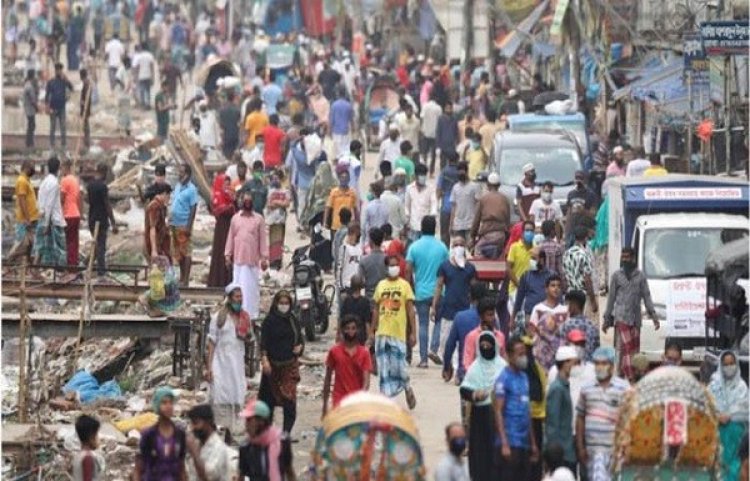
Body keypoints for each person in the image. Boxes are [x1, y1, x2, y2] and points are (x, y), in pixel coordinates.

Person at [602, 247, 658, 381]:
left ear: (633, 258)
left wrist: (654, 315)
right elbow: (611, 298)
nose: (625, 259)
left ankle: (627, 373)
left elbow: (647, 296)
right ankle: (630, 376)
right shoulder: (616, 276)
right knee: (626, 347)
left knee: (634, 349)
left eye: (627, 257)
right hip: (621, 317)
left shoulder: (641, 276)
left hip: (636, 318)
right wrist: (606, 318)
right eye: (623, 257)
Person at [576, 347, 629, 481]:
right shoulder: (586, 388)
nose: (600, 367)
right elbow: (580, 417)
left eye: (604, 363)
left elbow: (629, 419)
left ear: (611, 366)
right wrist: (580, 446)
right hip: (592, 450)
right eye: (597, 363)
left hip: (615, 451)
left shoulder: (623, 388)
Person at [372, 255, 418, 409]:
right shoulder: (381, 286)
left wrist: (413, 333)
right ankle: (385, 399)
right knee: (383, 367)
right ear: (386, 268)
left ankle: (407, 388)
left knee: (400, 367)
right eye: (391, 265)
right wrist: (372, 331)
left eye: (396, 265)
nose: (394, 268)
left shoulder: (405, 285)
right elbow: (376, 310)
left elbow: (411, 311)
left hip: (398, 333)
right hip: (382, 333)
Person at [460, 332, 506, 481]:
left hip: (498, 416)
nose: (486, 348)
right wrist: (474, 394)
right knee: (480, 455)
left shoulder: (502, 366)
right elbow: (464, 389)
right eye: (483, 346)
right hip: (479, 418)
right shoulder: (475, 367)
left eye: (488, 345)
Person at [207, 284, 250, 438]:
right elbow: (211, 343)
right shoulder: (218, 317)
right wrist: (209, 367)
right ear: (229, 298)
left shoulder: (244, 317)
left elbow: (248, 338)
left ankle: (231, 432)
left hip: (237, 363)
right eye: (237, 297)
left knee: (236, 394)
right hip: (220, 362)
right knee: (221, 395)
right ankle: (222, 430)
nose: (240, 300)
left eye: (241, 297)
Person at [494, 336, 540, 479]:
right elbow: (498, 411)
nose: (523, 357)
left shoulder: (524, 378)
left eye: (524, 353)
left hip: (524, 443)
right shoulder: (503, 379)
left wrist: (533, 443)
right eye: (519, 354)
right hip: (510, 442)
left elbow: (528, 412)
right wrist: (504, 443)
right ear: (509, 356)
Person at [406, 216, 449, 367]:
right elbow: (447, 268)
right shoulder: (442, 247)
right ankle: (434, 349)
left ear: (422, 228)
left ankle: (423, 360)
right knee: (437, 322)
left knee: (423, 324)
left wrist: (410, 286)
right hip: (439, 291)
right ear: (435, 228)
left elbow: (408, 269)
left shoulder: (414, 247)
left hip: (421, 291)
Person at [259, 291, 304, 434]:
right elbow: (263, 343)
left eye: (286, 303)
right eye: (281, 303)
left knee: (289, 401)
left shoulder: (293, 320)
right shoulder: (269, 321)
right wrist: (264, 360)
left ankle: (286, 433)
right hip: (272, 367)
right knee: (267, 402)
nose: (284, 306)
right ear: (276, 304)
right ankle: (266, 433)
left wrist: (300, 347)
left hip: (288, 366)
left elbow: (300, 339)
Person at [225, 189, 269, 318]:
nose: (247, 203)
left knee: (250, 291)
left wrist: (264, 258)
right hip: (238, 262)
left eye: (249, 200)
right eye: (245, 200)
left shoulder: (259, 219)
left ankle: (251, 316)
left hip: (252, 263)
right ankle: (237, 314)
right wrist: (228, 255)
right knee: (237, 289)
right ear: (241, 202)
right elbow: (230, 238)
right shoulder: (235, 219)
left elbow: (262, 239)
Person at [432, 237, 476, 358]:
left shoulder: (470, 268)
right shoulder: (444, 266)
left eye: (461, 244)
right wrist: (434, 306)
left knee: (464, 339)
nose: (458, 247)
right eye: (455, 245)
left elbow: (474, 289)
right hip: (448, 308)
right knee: (446, 340)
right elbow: (438, 287)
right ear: (451, 248)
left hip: (464, 308)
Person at [709, 350, 748, 481]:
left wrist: (730, 416)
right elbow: (707, 407)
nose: (729, 367)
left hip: (736, 434)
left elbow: (745, 410)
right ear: (721, 365)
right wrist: (718, 416)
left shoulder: (742, 387)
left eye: (732, 363)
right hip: (717, 432)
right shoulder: (714, 386)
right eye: (726, 364)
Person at [322, 315, 373, 417]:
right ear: (342, 330)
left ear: (358, 330)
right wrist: (324, 407)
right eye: (347, 328)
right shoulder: (334, 352)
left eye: (353, 328)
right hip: (339, 399)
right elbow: (327, 379)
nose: (350, 331)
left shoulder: (364, 353)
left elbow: (366, 380)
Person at [135, 387, 187, 481]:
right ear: (157, 406)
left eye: (171, 403)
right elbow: (138, 469)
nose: (168, 406)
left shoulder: (180, 435)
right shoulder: (149, 435)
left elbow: (181, 467)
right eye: (164, 403)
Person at [442, 284, 489, 383]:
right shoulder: (492, 318)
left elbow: (450, 346)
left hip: (465, 373)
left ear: (470, 297)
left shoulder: (460, 317)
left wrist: (447, 367)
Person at [238, 398, 293, 481]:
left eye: (249, 420)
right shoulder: (246, 448)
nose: (246, 425)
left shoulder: (282, 442)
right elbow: (241, 476)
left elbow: (289, 472)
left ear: (261, 421)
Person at [545, 346, 578, 473]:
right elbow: (552, 423)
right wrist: (554, 455)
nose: (576, 367)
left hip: (567, 450)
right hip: (562, 454)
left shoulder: (564, 386)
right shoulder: (557, 389)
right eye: (574, 363)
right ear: (565, 364)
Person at [527, 275, 568, 371]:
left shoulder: (565, 310)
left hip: (560, 355)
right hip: (542, 355)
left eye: (558, 286)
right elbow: (531, 331)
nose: (556, 288)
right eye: (553, 286)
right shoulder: (538, 309)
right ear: (546, 289)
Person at [302, 156, 336, 271]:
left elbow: (309, 198)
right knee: (327, 239)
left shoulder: (315, 181)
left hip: (316, 215)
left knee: (316, 237)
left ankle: (316, 263)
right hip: (329, 215)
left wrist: (306, 214)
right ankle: (327, 265)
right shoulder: (334, 182)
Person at [185, 405, 232, 481]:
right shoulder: (198, 444)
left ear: (208, 422)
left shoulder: (219, 448)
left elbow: (208, 477)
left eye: (196, 423)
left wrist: (194, 452)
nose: (192, 427)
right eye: (192, 423)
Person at [87, 163, 118, 278]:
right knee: (101, 246)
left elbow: (88, 201)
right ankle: (101, 272)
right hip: (101, 220)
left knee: (97, 245)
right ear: (104, 172)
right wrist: (113, 223)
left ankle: (87, 265)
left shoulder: (90, 185)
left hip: (91, 219)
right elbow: (107, 205)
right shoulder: (102, 186)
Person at [470, 172, 511, 259]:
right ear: (499, 185)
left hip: (487, 234)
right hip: (501, 235)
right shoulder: (505, 199)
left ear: (488, 185)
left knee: (477, 250)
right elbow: (508, 220)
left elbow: (476, 221)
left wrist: (473, 236)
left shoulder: (483, 199)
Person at [170, 164, 199, 286]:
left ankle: (186, 280)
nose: (179, 174)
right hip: (174, 224)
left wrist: (188, 226)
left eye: (182, 172)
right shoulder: (177, 186)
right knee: (179, 253)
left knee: (186, 252)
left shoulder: (192, 189)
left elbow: (193, 208)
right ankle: (181, 278)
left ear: (188, 174)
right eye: (179, 172)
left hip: (184, 224)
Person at [511, 248, 553, 329]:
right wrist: (512, 319)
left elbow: (558, 297)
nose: (531, 261)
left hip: (548, 317)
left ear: (542, 260)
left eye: (534, 258)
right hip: (530, 317)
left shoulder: (551, 276)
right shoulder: (526, 276)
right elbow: (519, 299)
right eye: (530, 258)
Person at [563, 226, 599, 318]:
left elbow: (564, 277)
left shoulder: (567, 253)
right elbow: (587, 279)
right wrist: (593, 301)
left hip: (571, 295)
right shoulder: (584, 254)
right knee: (587, 327)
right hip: (584, 297)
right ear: (586, 238)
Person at [463, 298, 507, 370]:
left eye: (493, 314)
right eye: (489, 315)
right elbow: (467, 363)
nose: (492, 318)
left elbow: (503, 360)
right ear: (481, 316)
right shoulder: (472, 337)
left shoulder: (500, 336)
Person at [208, 174, 235, 287]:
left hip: (230, 228)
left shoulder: (231, 196)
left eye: (229, 184)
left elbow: (234, 208)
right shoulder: (217, 196)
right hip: (221, 229)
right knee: (220, 253)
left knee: (229, 253)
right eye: (225, 184)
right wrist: (229, 207)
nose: (227, 186)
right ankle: (217, 281)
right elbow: (218, 210)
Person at [559, 290, 600, 362]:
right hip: (589, 369)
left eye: (567, 304)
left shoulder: (566, 326)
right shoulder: (593, 326)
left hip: (571, 368)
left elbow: (561, 352)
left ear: (573, 305)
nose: (566, 307)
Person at [404, 164, 438, 242]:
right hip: (413, 226)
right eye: (421, 175)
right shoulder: (409, 189)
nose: (423, 177)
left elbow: (434, 203)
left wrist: (433, 216)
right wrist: (407, 222)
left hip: (426, 228)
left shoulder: (431, 188)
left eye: (424, 175)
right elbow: (407, 206)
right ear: (416, 176)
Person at [265, 172, 291, 270]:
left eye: (277, 178)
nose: (276, 180)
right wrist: (280, 203)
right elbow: (269, 204)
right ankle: (272, 261)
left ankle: (278, 261)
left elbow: (287, 203)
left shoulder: (285, 191)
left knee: (279, 241)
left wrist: (276, 202)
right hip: (272, 220)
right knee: (272, 241)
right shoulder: (270, 191)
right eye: (274, 178)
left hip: (281, 220)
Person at [449, 162, 481, 242]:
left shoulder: (474, 186)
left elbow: (478, 205)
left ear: (466, 172)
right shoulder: (455, 187)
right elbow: (453, 207)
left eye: (462, 172)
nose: (460, 174)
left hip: (470, 225)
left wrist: (478, 224)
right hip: (458, 225)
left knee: (470, 249)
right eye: (459, 172)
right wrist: (451, 225)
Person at [324, 169, 358, 238]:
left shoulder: (352, 193)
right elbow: (328, 208)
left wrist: (357, 222)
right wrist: (325, 222)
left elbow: (355, 209)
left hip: (348, 225)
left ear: (349, 179)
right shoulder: (334, 192)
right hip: (336, 225)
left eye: (346, 178)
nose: (344, 180)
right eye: (342, 177)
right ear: (339, 178)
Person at [59, 160, 81, 269]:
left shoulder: (65, 180)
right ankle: (74, 262)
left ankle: (70, 265)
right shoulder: (75, 180)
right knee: (74, 241)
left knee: (68, 241)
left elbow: (62, 199)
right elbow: (78, 198)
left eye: (61, 168)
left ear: (65, 167)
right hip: (76, 213)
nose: (60, 170)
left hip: (68, 214)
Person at [507, 221, 536, 303]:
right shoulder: (514, 247)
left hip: (531, 292)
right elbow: (509, 269)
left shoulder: (536, 249)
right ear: (522, 232)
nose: (529, 233)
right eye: (527, 230)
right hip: (515, 290)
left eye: (531, 231)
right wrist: (519, 286)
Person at [46, 62, 73, 149]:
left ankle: (63, 144)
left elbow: (71, 88)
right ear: (55, 71)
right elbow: (47, 95)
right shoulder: (51, 82)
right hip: (53, 107)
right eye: (57, 70)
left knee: (63, 126)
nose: (59, 72)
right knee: (52, 127)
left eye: (60, 70)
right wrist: (47, 107)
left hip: (62, 107)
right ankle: (52, 144)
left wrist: (67, 79)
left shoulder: (64, 81)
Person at [340, 275, 373, 346]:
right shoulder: (365, 301)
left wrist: (339, 334)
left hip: (348, 334)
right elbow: (367, 322)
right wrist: (369, 337)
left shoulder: (346, 300)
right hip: (361, 335)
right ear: (361, 287)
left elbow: (341, 319)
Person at [335, 222, 362, 304]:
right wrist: (341, 289)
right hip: (347, 285)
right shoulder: (344, 248)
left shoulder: (359, 248)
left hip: (357, 284)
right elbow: (339, 268)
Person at [72, 415, 105, 481]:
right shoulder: (88, 457)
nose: (98, 438)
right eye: (97, 435)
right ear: (91, 437)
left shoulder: (79, 455)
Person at [144, 183, 172, 260]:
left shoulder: (161, 206)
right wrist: (154, 250)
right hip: (156, 245)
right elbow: (152, 228)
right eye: (168, 196)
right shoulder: (154, 206)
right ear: (164, 194)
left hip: (161, 243)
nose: (169, 199)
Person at [437, 152, 460, 245]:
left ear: (448, 160)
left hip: (446, 207)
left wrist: (439, 198)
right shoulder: (460, 172)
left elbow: (438, 189)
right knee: (458, 235)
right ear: (457, 160)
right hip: (458, 208)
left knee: (444, 234)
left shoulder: (444, 172)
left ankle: (445, 254)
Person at [358, 228, 388, 299]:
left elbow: (360, 281)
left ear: (371, 242)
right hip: (385, 298)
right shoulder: (387, 259)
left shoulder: (364, 260)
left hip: (370, 298)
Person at [329, 88, 354, 158]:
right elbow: (351, 120)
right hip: (345, 131)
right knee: (345, 150)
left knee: (337, 152)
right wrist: (354, 129)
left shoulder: (334, 105)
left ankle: (339, 165)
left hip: (336, 131)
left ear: (338, 94)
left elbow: (331, 120)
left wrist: (329, 131)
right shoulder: (349, 105)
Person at [420, 94, 442, 174]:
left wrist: (421, 129)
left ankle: (424, 167)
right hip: (435, 134)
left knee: (424, 152)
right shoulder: (438, 108)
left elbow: (421, 118)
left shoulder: (425, 106)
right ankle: (431, 171)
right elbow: (440, 121)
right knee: (433, 154)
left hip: (425, 132)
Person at [218, 91, 241, 159]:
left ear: (227, 98)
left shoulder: (222, 110)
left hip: (226, 135)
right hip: (235, 134)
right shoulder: (237, 110)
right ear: (233, 98)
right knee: (234, 155)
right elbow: (239, 124)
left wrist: (221, 139)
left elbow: (221, 126)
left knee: (226, 156)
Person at [133, 43, 156, 108]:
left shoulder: (139, 56)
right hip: (148, 75)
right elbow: (152, 67)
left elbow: (137, 67)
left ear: (142, 48)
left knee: (142, 90)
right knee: (148, 90)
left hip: (141, 76)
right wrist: (153, 77)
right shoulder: (150, 56)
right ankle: (148, 103)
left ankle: (143, 103)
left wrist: (135, 76)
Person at [115, 55, 133, 136]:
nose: (130, 64)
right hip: (122, 95)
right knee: (122, 112)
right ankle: (122, 129)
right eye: (129, 62)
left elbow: (130, 81)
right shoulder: (121, 69)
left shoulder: (128, 70)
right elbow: (117, 79)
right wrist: (123, 86)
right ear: (126, 63)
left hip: (127, 95)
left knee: (127, 113)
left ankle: (127, 128)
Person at [331, 208, 352, 272]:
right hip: (345, 263)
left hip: (339, 263)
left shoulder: (339, 231)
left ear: (340, 218)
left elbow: (335, 248)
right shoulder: (350, 232)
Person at [23, 69, 39, 148]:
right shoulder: (29, 86)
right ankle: (29, 143)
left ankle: (29, 142)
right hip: (30, 110)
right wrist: (37, 108)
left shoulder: (27, 85)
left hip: (28, 109)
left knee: (31, 126)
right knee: (31, 126)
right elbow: (33, 100)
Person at [79, 69, 92, 148]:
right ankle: (86, 142)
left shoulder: (86, 84)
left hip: (85, 108)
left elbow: (87, 97)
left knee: (86, 127)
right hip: (85, 108)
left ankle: (87, 143)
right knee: (85, 126)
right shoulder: (86, 83)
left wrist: (83, 103)